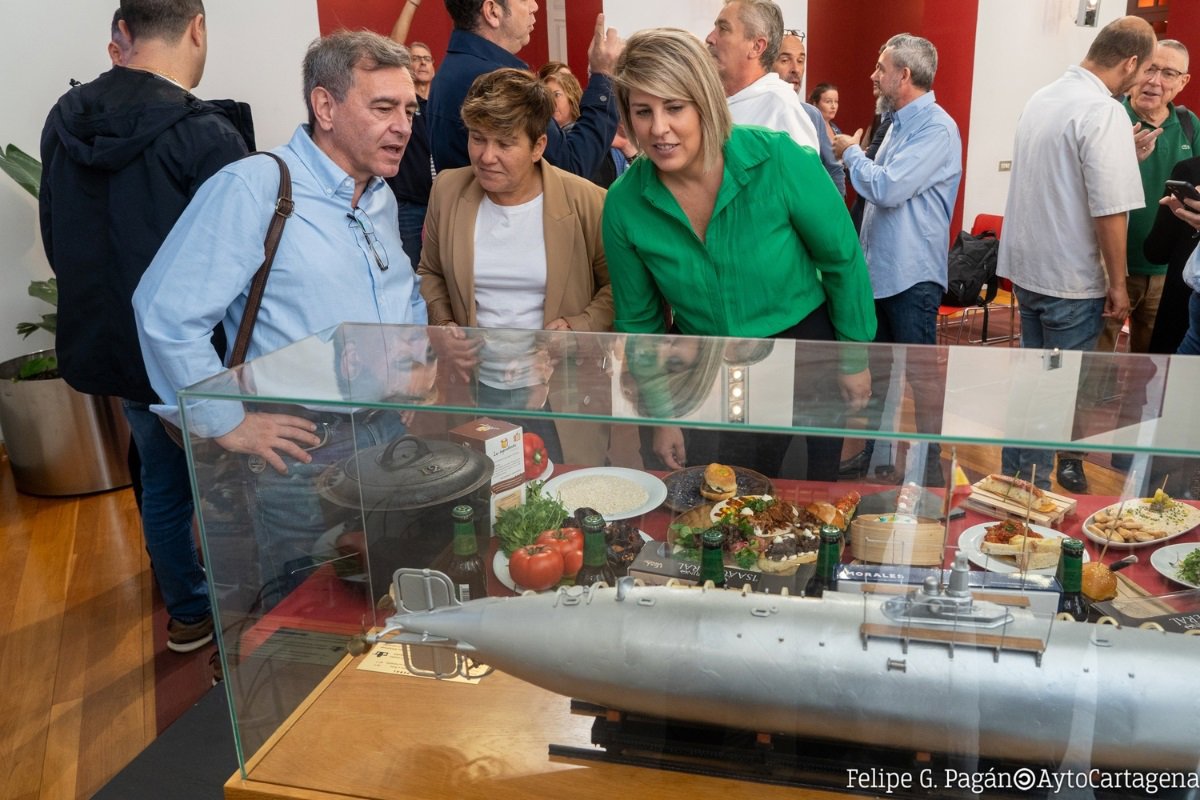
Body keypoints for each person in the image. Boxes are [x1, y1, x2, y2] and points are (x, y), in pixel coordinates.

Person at [134, 31, 427, 605]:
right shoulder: (255, 187)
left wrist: (411, 363)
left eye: (409, 111)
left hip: (386, 433)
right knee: (304, 612)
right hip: (301, 452)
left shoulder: (379, 196)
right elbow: (165, 313)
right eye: (383, 108)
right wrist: (228, 422)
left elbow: (401, 292)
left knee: (387, 597)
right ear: (325, 107)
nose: (403, 127)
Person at [39, 0, 253, 655]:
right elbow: (243, 269)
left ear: (123, 34)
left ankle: (188, 612)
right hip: (200, 355)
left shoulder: (64, 120)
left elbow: (58, 234)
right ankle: (249, 616)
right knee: (234, 487)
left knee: (161, 480)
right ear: (197, 28)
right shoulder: (206, 135)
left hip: (118, 346)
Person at [602, 28, 875, 479]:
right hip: (702, 366)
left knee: (804, 496)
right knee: (723, 496)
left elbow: (842, 260)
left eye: (674, 107)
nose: (658, 128)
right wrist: (662, 414)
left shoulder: (778, 158)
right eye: (642, 111)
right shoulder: (623, 203)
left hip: (803, 350)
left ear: (705, 103)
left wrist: (853, 359)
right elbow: (639, 322)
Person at [418, 68, 612, 465]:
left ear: (539, 145)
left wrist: (579, 325)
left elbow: (618, 288)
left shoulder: (587, 201)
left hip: (559, 394)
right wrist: (443, 322)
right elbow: (430, 272)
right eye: (477, 138)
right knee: (486, 487)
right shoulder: (448, 191)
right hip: (477, 389)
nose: (486, 156)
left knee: (561, 489)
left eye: (505, 143)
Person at [996, 15, 1154, 492]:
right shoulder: (1103, 110)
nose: (1142, 82)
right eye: (1146, 71)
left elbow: (1061, 176)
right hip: (1069, 278)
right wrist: (1118, 285)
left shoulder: (1044, 96)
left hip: (1029, 269)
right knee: (1054, 397)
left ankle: (1011, 484)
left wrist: (1122, 155)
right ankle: (1033, 499)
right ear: (1129, 63)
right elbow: (1110, 211)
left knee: (1031, 387)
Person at [831, 33, 962, 487]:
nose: (873, 75)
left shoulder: (936, 128)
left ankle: (929, 466)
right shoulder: (896, 124)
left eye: (880, 68)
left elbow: (887, 188)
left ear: (903, 75)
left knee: (922, 378)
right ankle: (874, 458)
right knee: (880, 376)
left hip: (912, 276)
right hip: (881, 273)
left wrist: (850, 153)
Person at [428, 1, 622, 177]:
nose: (534, 6)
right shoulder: (498, 83)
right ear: (493, 11)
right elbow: (569, 167)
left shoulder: (447, 71)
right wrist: (603, 75)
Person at [705, 1, 819, 151]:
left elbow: (803, 167)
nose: (710, 38)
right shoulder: (708, 101)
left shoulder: (782, 110)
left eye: (724, 29)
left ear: (756, 47)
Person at [387, 0, 438, 271]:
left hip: (442, 203)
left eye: (426, 59)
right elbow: (393, 50)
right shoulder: (404, 104)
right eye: (415, 58)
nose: (422, 63)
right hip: (410, 206)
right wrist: (412, 3)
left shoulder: (441, 103)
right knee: (413, 270)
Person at [772, 28, 845, 194]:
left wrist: (835, 208)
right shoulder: (751, 111)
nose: (796, 69)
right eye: (785, 60)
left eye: (800, 61)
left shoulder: (812, 115)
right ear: (767, 63)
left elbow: (834, 170)